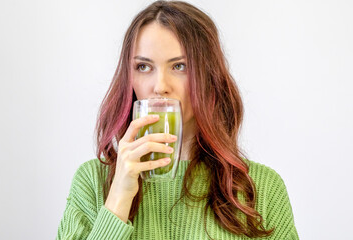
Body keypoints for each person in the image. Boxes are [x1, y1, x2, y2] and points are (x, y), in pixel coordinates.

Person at [56, 1, 299, 239]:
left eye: (180, 66)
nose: (160, 86)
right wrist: (118, 200)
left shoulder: (262, 189)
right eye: (143, 66)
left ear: (210, 76)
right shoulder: (91, 182)